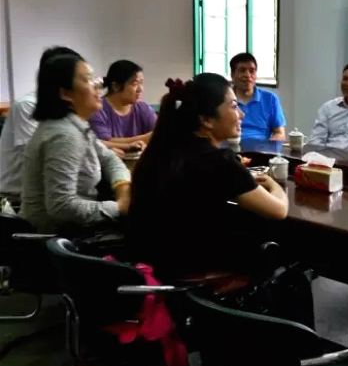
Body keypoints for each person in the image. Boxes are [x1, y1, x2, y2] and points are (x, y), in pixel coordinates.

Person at [128, 73, 288, 281]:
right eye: (233, 106)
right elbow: (279, 210)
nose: (241, 115)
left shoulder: (159, 153)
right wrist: (274, 184)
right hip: (196, 270)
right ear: (206, 120)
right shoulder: (220, 161)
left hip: (157, 266)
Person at [20, 54, 131, 234]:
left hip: (73, 233)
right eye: (88, 79)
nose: (99, 85)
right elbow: (62, 207)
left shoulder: (75, 125)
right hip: (55, 240)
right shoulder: (64, 135)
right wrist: (118, 207)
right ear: (66, 93)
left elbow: (110, 159)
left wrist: (122, 187)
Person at [0, 46, 81, 201]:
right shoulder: (27, 106)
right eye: (82, 77)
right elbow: (40, 158)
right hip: (18, 198)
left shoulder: (67, 106)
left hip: (53, 192)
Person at [89, 60, 157, 157]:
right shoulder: (97, 109)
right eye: (135, 84)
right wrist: (144, 139)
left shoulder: (143, 108)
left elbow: (159, 132)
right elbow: (102, 142)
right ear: (116, 86)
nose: (140, 89)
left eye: (141, 83)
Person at [230, 53, 286, 141]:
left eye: (252, 71)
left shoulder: (270, 99)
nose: (247, 75)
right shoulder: (224, 99)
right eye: (242, 70)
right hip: (231, 146)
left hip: (262, 147)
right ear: (232, 75)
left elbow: (280, 133)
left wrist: (268, 146)